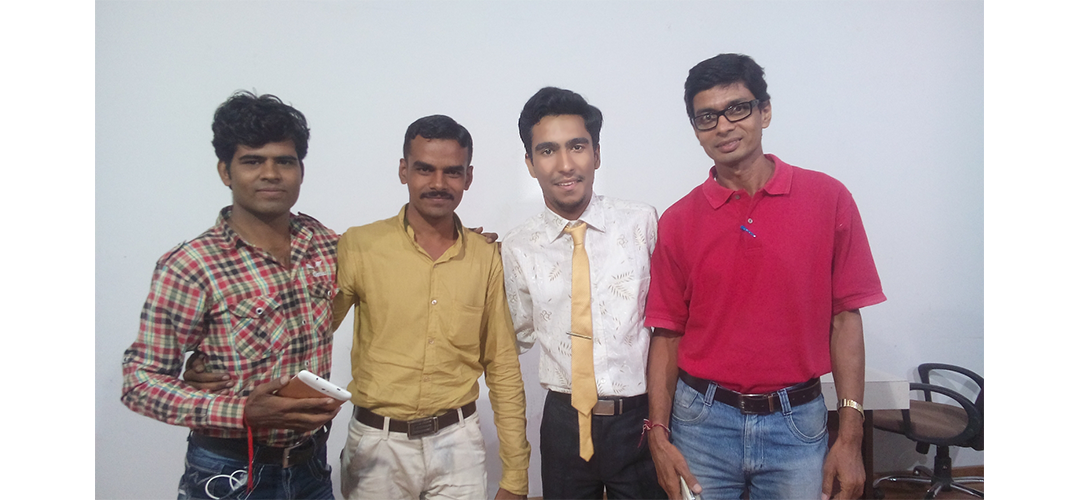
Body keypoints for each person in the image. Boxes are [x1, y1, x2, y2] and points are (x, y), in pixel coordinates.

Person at [644, 53, 887, 500]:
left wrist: (851, 435)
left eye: (737, 108)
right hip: (701, 423)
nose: (723, 126)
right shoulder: (677, 222)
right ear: (696, 130)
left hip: (796, 423)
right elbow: (667, 334)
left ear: (765, 111)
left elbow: (845, 320)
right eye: (707, 117)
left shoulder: (827, 199)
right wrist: (658, 434)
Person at [121, 91, 341, 500]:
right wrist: (240, 411)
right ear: (225, 171)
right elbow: (140, 381)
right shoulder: (191, 266)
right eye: (253, 161)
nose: (271, 174)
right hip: (230, 471)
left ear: (301, 170)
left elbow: (392, 260)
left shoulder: (325, 246)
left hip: (311, 466)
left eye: (284, 161)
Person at [331, 115, 530, 500]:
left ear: (468, 177)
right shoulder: (360, 246)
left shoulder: (485, 257)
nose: (439, 183)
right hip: (377, 443)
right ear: (403, 171)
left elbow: (502, 365)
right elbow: (312, 333)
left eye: (452, 172)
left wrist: (516, 474)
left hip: (459, 444)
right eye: (425, 169)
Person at [502, 87, 666, 500]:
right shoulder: (518, 246)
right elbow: (514, 335)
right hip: (563, 422)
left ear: (596, 154)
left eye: (577, 146)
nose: (565, 164)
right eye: (547, 151)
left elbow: (669, 323)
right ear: (530, 163)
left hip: (639, 419)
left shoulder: (642, 223)